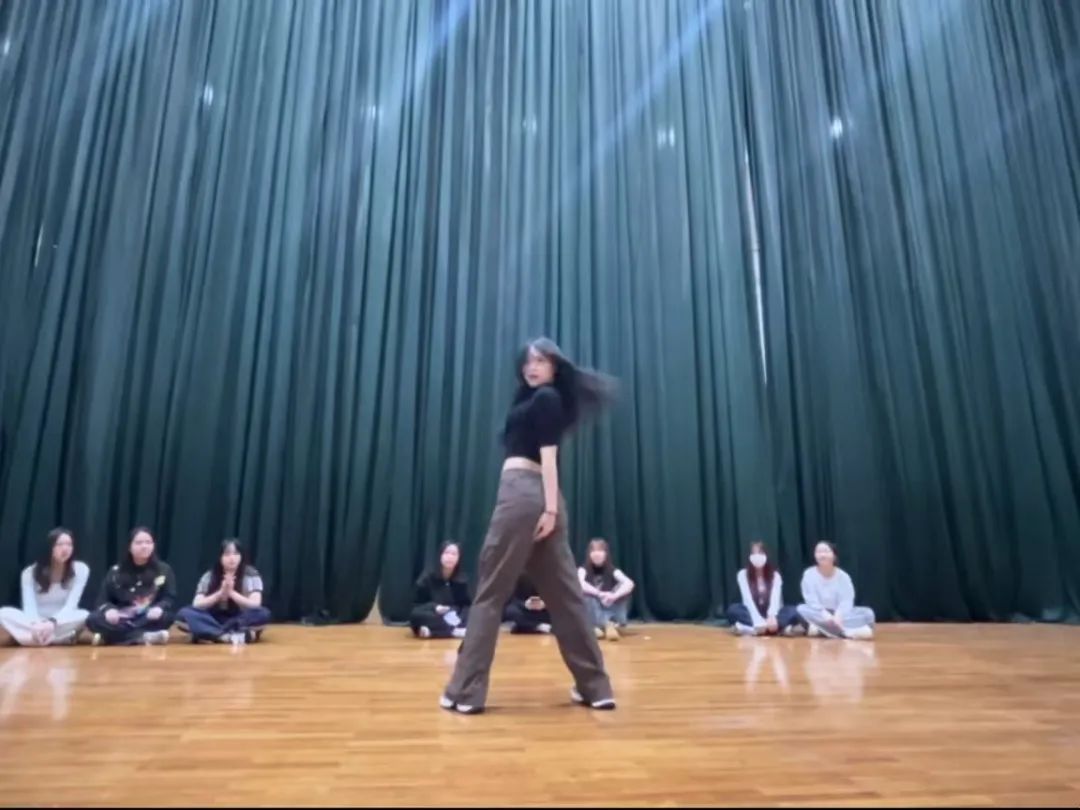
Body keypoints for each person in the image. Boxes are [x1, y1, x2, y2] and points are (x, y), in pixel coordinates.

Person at [440, 338, 617, 714]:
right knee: (566, 598)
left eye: (541, 360)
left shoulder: (546, 399)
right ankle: (596, 688)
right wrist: (549, 508)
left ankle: (465, 692)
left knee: (490, 594)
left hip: (524, 496)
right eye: (528, 361)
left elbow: (549, 457)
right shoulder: (536, 400)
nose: (532, 366)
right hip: (538, 500)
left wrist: (549, 510)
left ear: (555, 367)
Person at [86, 527, 177, 645]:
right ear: (130, 547)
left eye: (148, 542)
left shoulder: (164, 570)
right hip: (120, 617)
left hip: (146, 617)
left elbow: (169, 597)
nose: (144, 546)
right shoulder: (116, 571)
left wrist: (159, 607)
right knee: (93, 619)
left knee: (167, 617)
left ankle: (112, 637)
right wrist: (109, 609)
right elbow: (102, 599)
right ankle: (142, 637)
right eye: (139, 543)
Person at [0, 528, 89, 646]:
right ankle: (56, 639)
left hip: (61, 622)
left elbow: (71, 606)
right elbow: (29, 607)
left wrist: (52, 623)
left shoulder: (81, 569)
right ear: (49, 547)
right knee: (3, 613)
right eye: (59, 544)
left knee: (84, 615)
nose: (65, 549)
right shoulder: (29, 572)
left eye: (69, 544)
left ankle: (31, 639)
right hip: (35, 622)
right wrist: (37, 625)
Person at [177, 538, 271, 643]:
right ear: (220, 557)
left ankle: (209, 633)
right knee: (184, 614)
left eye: (236, 554)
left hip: (239, 618)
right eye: (227, 554)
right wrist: (220, 593)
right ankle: (227, 636)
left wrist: (231, 593)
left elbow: (255, 604)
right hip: (213, 618)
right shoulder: (210, 575)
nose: (232, 558)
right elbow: (197, 604)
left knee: (263, 613)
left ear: (241, 556)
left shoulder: (251, 574)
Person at [797, 541, 875, 640]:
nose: (822, 555)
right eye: (818, 552)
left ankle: (822, 631)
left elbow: (847, 600)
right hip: (820, 614)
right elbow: (811, 600)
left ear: (834, 555)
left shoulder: (843, 576)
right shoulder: (809, 574)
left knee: (868, 613)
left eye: (826, 551)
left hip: (841, 615)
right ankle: (845, 632)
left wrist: (838, 615)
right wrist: (826, 616)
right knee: (801, 609)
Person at [725, 541, 803, 637]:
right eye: (754, 553)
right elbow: (747, 599)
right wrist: (758, 621)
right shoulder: (742, 574)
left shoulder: (775, 575)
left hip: (772, 616)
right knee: (733, 610)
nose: (757, 556)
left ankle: (752, 630)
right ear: (749, 556)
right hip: (752, 615)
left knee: (793, 610)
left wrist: (771, 616)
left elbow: (775, 599)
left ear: (766, 555)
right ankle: (776, 630)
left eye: (760, 553)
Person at [410, 541, 471, 639]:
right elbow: (418, 604)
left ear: (458, 558)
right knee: (415, 616)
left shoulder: (462, 579)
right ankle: (452, 631)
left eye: (454, 554)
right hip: (434, 614)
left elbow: (466, 605)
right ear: (440, 556)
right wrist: (435, 607)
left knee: (473, 614)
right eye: (447, 553)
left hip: (453, 615)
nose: (450, 557)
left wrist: (458, 614)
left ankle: (433, 632)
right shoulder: (428, 576)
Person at [578, 538, 634, 641]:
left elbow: (629, 583)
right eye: (593, 551)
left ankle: (604, 626)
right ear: (589, 554)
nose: (597, 554)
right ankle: (604, 625)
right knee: (585, 595)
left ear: (606, 554)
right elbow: (580, 583)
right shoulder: (583, 569)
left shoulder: (612, 570)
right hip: (594, 609)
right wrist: (599, 594)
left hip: (609, 607)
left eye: (600, 550)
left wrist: (614, 596)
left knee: (624, 590)